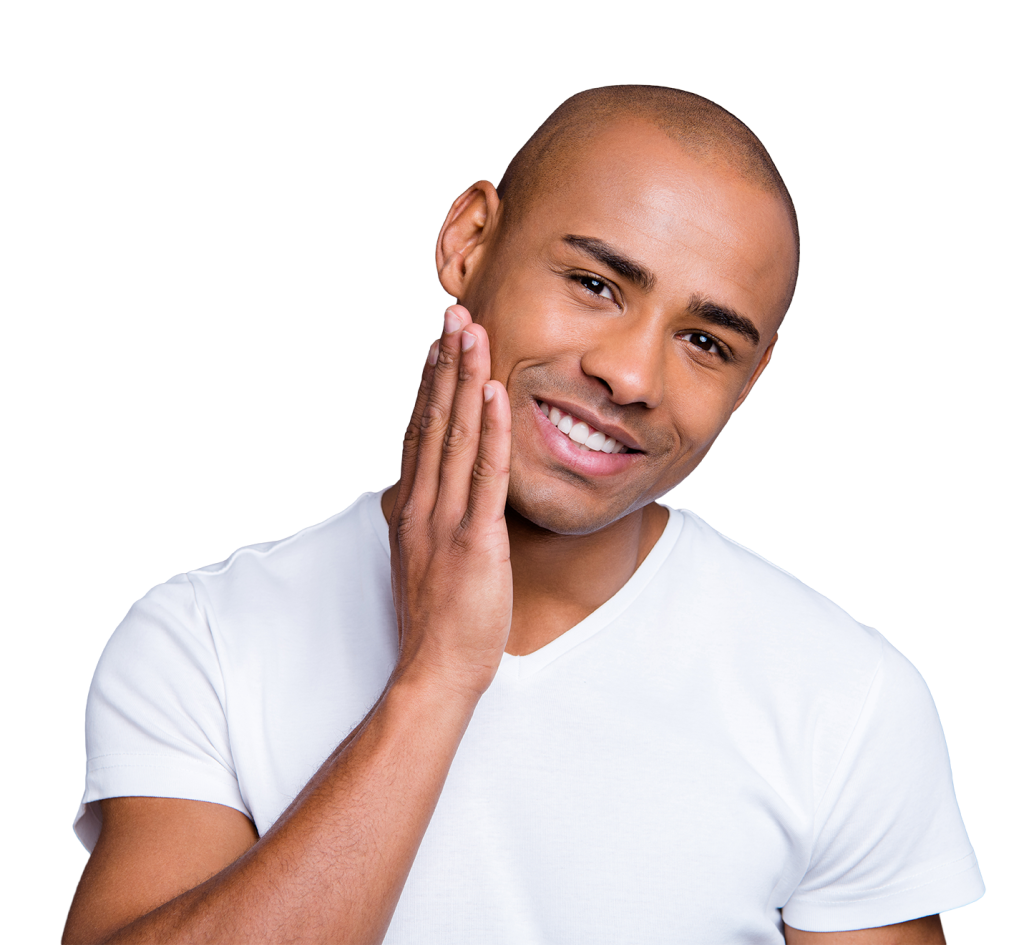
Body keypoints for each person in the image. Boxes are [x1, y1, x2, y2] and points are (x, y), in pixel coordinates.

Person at [63, 85, 983, 945]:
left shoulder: (844, 696)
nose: (631, 375)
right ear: (468, 242)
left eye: (705, 341)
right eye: (595, 283)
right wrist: (435, 681)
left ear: (749, 384)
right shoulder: (204, 641)